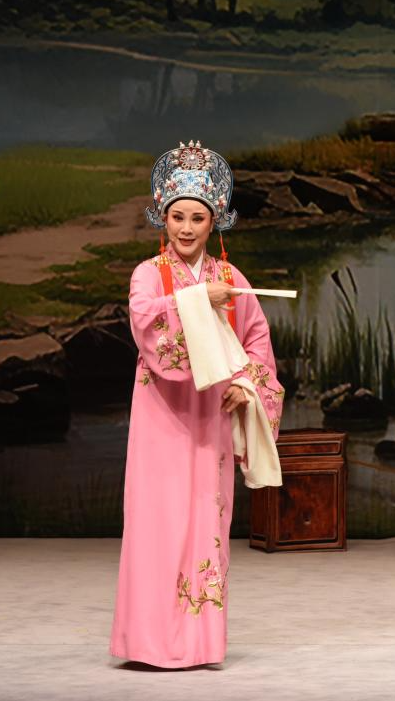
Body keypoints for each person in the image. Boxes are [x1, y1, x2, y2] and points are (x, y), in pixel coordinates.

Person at [110, 140, 284, 668]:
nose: (186, 229)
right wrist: (193, 300)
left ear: (215, 223)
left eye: (198, 218)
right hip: (161, 415)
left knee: (206, 524)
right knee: (156, 523)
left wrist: (245, 385)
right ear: (163, 218)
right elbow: (145, 322)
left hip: (211, 418)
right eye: (177, 217)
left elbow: (257, 340)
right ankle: (146, 644)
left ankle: (199, 645)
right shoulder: (148, 274)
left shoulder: (230, 279)